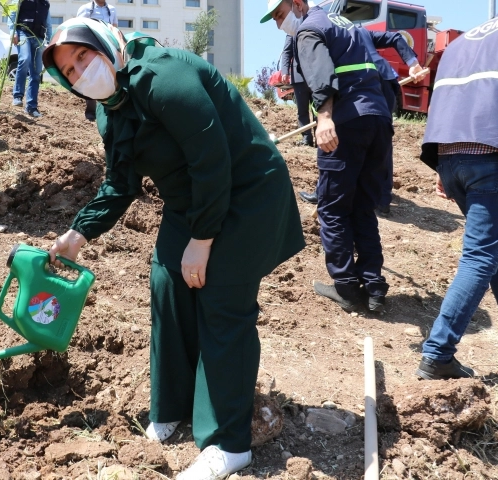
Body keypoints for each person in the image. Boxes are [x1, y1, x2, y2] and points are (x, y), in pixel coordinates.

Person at [42, 18, 304, 480]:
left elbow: (213, 161)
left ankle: (228, 442)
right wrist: (77, 235)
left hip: (246, 192)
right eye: (70, 71)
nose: (81, 72)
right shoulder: (109, 108)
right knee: (167, 281)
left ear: (105, 44)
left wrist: (201, 243)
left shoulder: (166, 79)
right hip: (191, 201)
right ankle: (175, 405)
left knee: (221, 297)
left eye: (84, 56)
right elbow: (119, 184)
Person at [415, 0, 498, 380]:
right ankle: (437, 353)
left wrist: (442, 165)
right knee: (481, 256)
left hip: (450, 156)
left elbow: (444, 97)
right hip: (492, 157)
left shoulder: (463, 41)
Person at [262, 0, 392, 313]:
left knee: (332, 206)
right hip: (377, 119)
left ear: (297, 4)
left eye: (281, 15)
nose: (281, 24)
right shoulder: (346, 24)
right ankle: (373, 286)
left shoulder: (307, 29)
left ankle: (346, 287)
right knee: (362, 205)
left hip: (346, 122)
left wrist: (324, 116)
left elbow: (320, 77)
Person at [297, 28, 426, 209]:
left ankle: (326, 192)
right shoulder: (358, 30)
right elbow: (395, 36)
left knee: (338, 130)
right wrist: (412, 63)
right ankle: (381, 199)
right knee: (381, 139)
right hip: (383, 80)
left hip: (361, 83)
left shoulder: (324, 31)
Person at [75, 0, 118, 121]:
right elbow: (79, 29)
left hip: (107, 48)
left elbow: (114, 30)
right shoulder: (85, 8)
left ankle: (107, 111)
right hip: (91, 48)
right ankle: (91, 112)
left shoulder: (112, 10)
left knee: (108, 78)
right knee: (91, 78)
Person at [10, 0, 52, 118]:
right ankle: (17, 95)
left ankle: (31, 106)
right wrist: (12, 31)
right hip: (23, 33)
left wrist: (49, 41)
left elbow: (48, 23)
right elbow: (12, 14)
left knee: (36, 72)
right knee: (25, 58)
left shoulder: (45, 3)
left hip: (38, 38)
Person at [280, 35, 314, 148]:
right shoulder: (292, 31)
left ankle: (320, 137)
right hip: (298, 77)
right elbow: (286, 52)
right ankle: (307, 138)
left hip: (316, 75)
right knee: (302, 110)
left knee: (318, 109)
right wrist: (285, 71)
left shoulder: (315, 26)